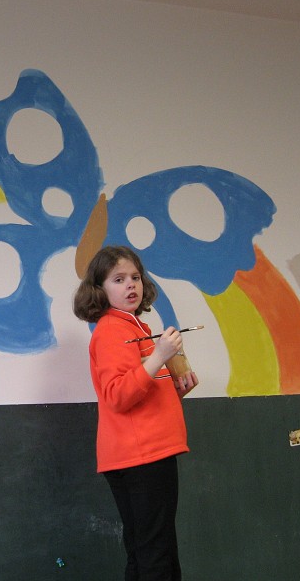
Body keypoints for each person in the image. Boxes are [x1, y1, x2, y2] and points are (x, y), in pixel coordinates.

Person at [73, 245, 198, 581]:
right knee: (156, 555)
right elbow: (117, 395)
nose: (131, 284)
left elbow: (142, 391)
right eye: (118, 279)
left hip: (144, 453)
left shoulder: (135, 327)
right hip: (141, 457)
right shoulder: (112, 330)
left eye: (135, 277)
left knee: (148, 552)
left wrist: (177, 386)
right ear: (99, 290)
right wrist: (159, 357)